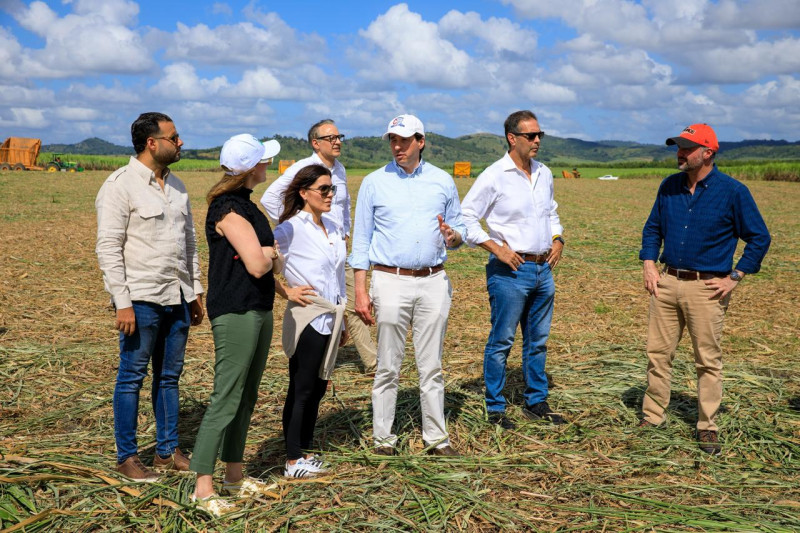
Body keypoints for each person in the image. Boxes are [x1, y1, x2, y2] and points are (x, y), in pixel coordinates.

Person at [639, 123, 771, 455]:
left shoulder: (733, 191)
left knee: (707, 361)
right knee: (658, 354)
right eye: (678, 147)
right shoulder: (669, 186)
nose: (680, 153)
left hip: (707, 289)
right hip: (667, 283)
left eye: (687, 147)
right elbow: (653, 228)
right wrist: (649, 264)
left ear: (708, 152)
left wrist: (735, 276)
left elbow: (759, 237)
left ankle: (707, 426)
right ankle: (653, 417)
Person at [95, 112, 204, 481]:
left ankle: (166, 452)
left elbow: (189, 244)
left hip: (176, 297)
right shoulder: (120, 185)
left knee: (169, 377)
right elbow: (109, 247)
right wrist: (121, 301)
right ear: (152, 142)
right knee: (131, 377)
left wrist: (195, 292)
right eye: (175, 137)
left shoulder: (178, 187)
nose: (181, 143)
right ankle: (127, 458)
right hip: (140, 299)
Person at [350, 114, 465, 456]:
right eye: (392, 140)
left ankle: (436, 439)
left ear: (421, 141)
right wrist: (360, 290)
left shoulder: (443, 181)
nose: (397, 146)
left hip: (433, 280)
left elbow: (458, 234)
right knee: (388, 365)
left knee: (431, 366)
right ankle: (383, 439)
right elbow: (361, 240)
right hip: (389, 279)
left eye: (403, 140)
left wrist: (453, 236)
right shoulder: (374, 182)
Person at [189, 134, 283, 517]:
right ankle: (202, 488)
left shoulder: (247, 205)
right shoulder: (228, 208)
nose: (269, 166)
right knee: (226, 398)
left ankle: (233, 476)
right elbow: (260, 265)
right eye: (264, 160)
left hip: (257, 307)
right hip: (236, 311)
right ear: (249, 168)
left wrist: (266, 257)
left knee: (246, 397)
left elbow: (262, 262)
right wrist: (270, 253)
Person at [461, 110, 566, 430]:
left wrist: (558, 238)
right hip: (510, 271)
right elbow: (465, 218)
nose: (537, 141)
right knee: (502, 341)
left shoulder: (544, 173)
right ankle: (495, 407)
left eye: (540, 136)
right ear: (512, 138)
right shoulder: (495, 175)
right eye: (531, 136)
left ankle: (536, 401)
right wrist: (497, 249)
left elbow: (551, 212)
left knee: (538, 341)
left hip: (542, 270)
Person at [261, 119, 377, 374]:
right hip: (315, 251)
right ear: (316, 143)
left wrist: (345, 231)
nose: (337, 142)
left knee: (346, 301)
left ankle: (361, 361)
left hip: (337, 247)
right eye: (330, 138)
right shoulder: (304, 168)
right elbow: (269, 198)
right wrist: (298, 226)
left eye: (339, 137)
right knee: (335, 303)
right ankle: (367, 362)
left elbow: (344, 207)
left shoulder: (341, 170)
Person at [274, 164, 348, 478]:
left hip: (332, 315)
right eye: (324, 189)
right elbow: (263, 264)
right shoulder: (289, 228)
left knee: (319, 386)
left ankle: (303, 447)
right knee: (302, 387)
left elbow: (338, 274)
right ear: (304, 193)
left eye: (332, 189)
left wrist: (343, 321)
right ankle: (292, 460)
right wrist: (286, 291)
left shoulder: (332, 226)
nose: (330, 194)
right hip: (308, 315)